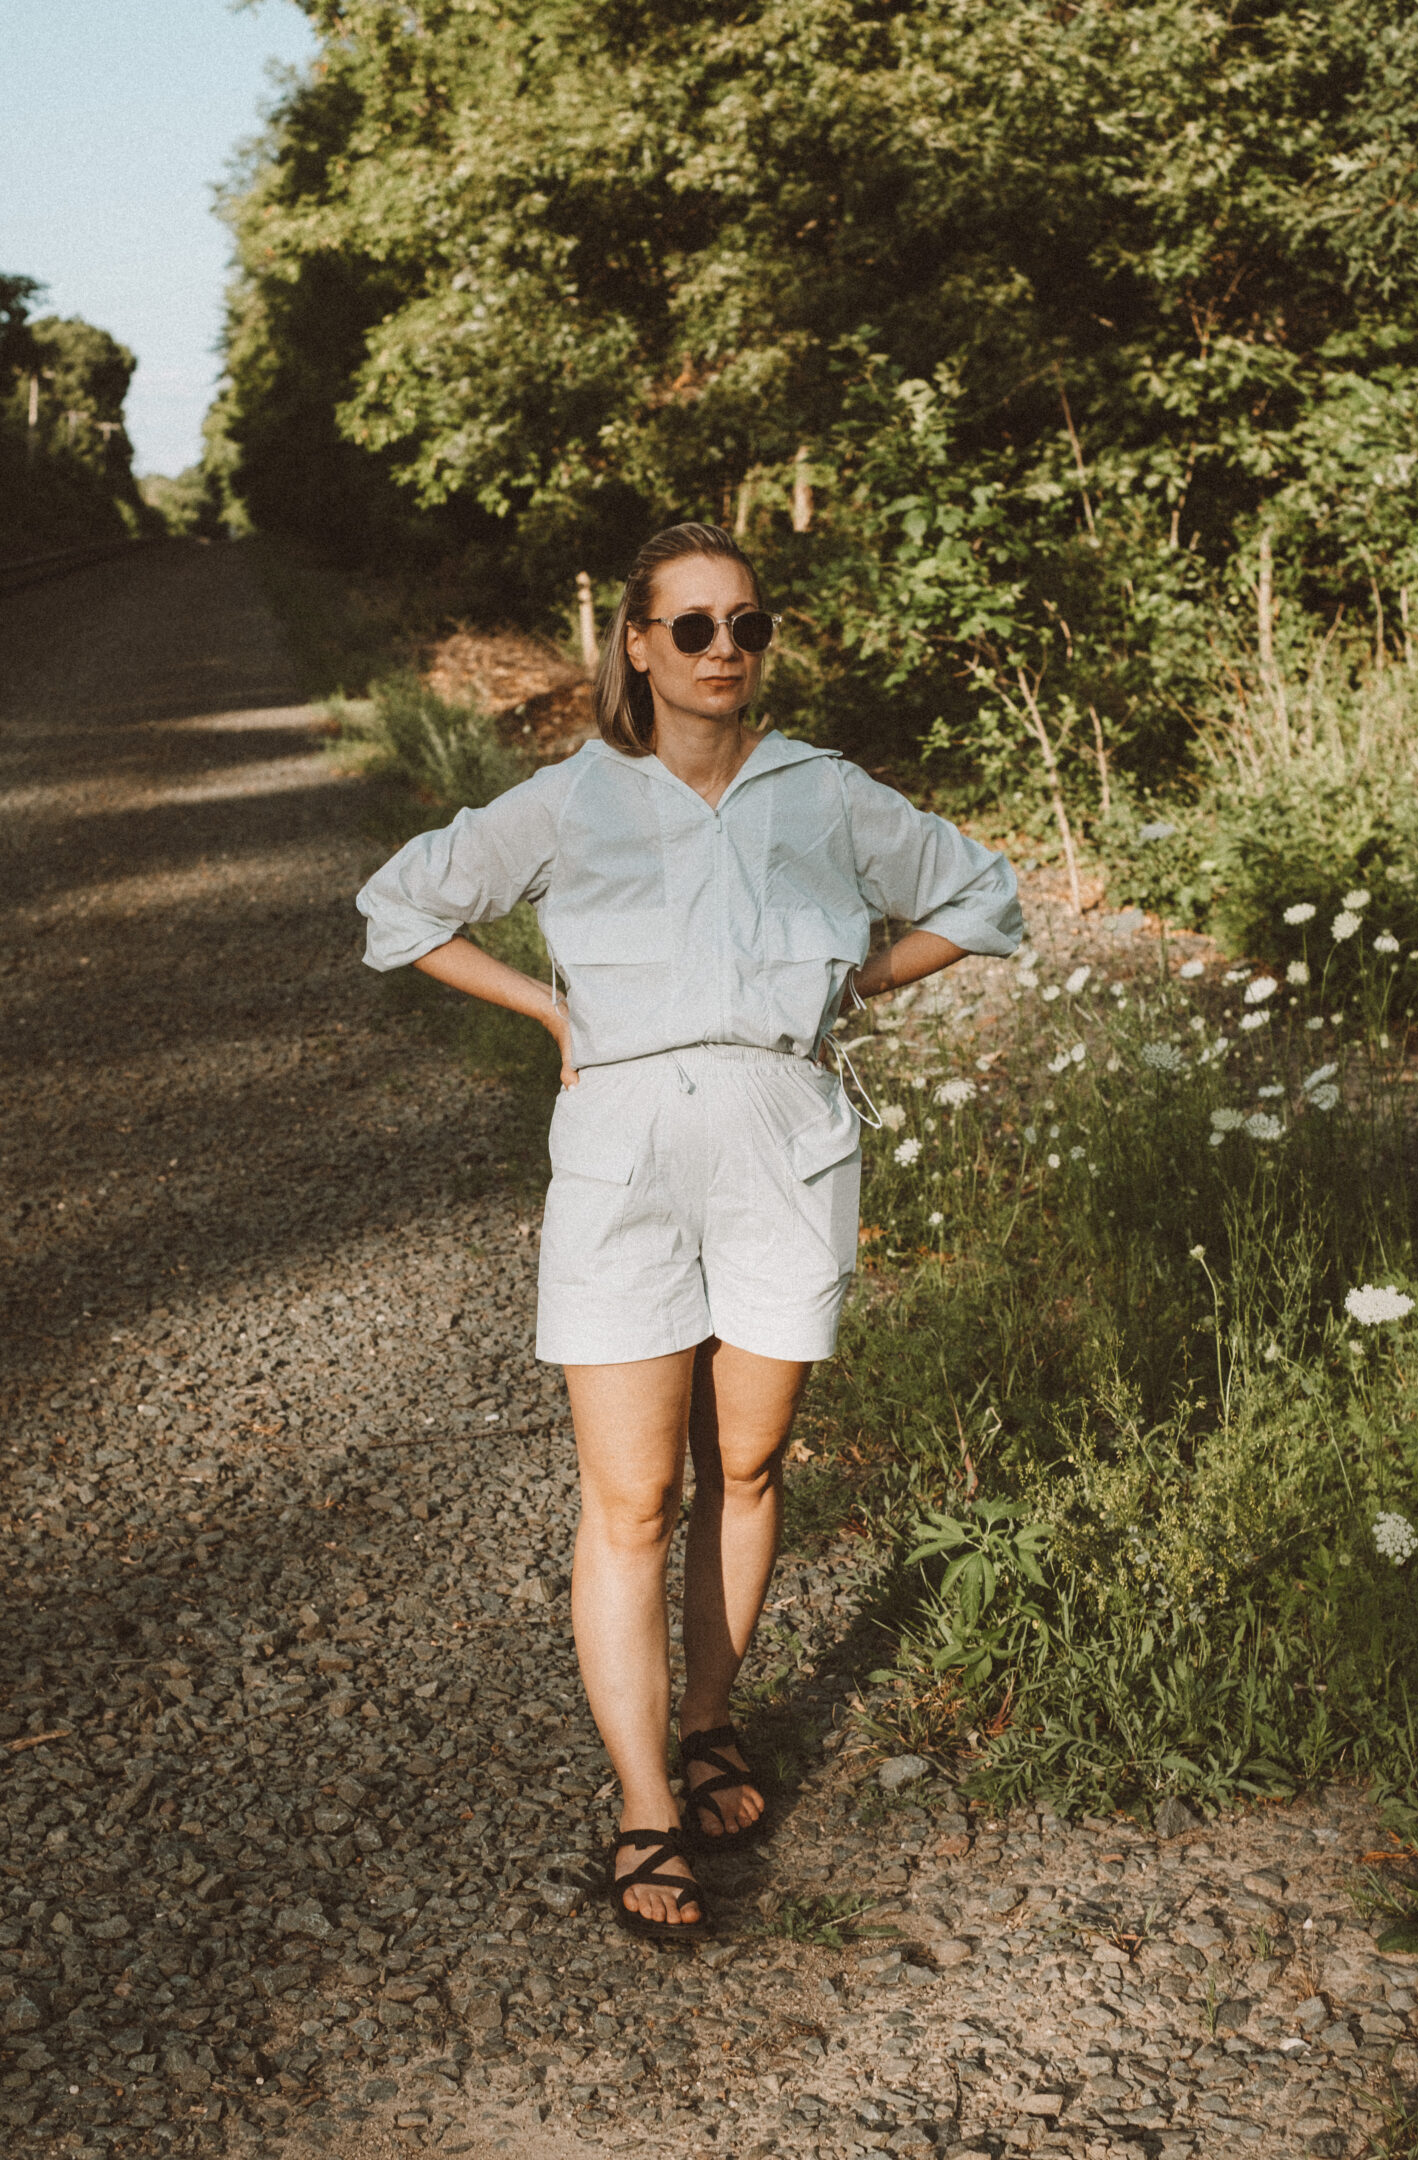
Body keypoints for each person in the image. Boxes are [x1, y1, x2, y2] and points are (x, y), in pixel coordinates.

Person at [356, 523, 1022, 1940]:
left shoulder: (824, 794)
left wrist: (855, 989)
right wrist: (552, 1011)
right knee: (632, 1497)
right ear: (639, 648)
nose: (727, 649)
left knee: (751, 1457)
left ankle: (712, 1719)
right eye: (696, 626)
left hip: (787, 1142)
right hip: (627, 1155)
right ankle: (645, 1801)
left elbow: (983, 895)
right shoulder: (568, 802)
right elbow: (400, 908)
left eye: (749, 625)